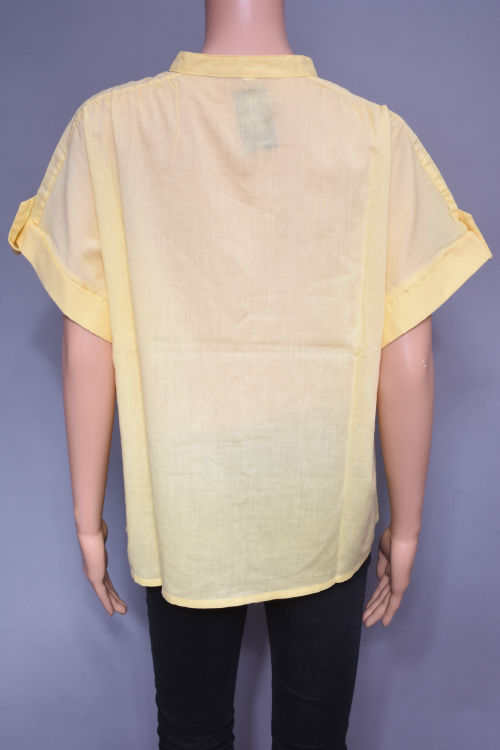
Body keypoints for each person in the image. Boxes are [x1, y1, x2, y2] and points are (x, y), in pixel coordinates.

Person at [7, 1, 493, 748]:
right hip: (323, 506)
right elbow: (411, 357)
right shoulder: (373, 137)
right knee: (315, 736)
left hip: (186, 507)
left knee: (191, 733)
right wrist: (408, 528)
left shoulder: (110, 129)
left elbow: (87, 343)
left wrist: (87, 521)